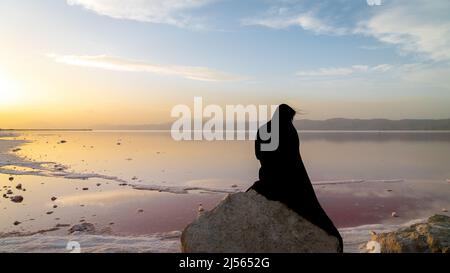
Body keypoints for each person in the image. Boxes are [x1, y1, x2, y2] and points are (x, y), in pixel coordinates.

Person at [247, 104, 343, 252]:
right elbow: (294, 157)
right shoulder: (289, 130)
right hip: (290, 179)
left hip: (268, 177)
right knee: (311, 208)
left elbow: (258, 155)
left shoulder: (263, 130)